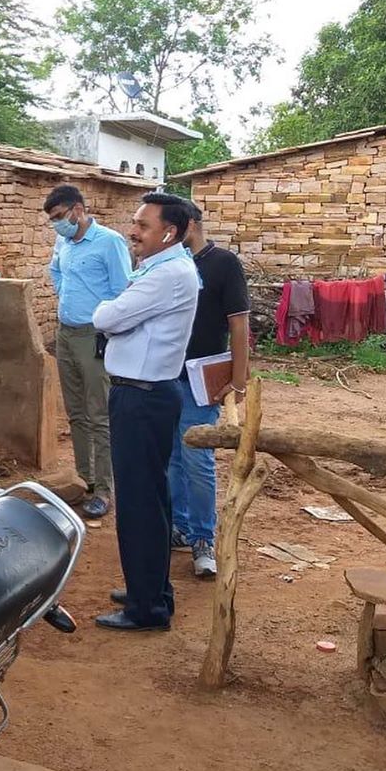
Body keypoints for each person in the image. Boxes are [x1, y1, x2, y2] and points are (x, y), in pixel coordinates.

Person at [92, 192, 199, 632]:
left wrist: (106, 311)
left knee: (139, 502)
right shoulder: (164, 269)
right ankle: (151, 590)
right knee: (151, 499)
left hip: (142, 397)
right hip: (148, 394)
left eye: (142, 226)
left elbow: (106, 318)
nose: (132, 232)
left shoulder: (166, 275)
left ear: (169, 232)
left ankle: (147, 608)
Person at [168, 201, 251, 579]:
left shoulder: (223, 264)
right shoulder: (169, 263)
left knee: (197, 458)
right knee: (171, 455)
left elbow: (238, 324)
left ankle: (203, 537)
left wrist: (239, 375)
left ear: (188, 226)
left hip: (204, 375)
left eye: (169, 227)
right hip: (165, 372)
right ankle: (180, 526)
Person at [45, 184, 132, 518]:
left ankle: (106, 489)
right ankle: (85, 482)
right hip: (65, 334)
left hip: (94, 335)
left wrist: (105, 327)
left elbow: (123, 291)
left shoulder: (109, 242)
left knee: (99, 415)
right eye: (52, 220)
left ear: (77, 209)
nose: (56, 224)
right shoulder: (63, 242)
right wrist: (66, 293)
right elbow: (55, 269)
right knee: (76, 413)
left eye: (58, 216)